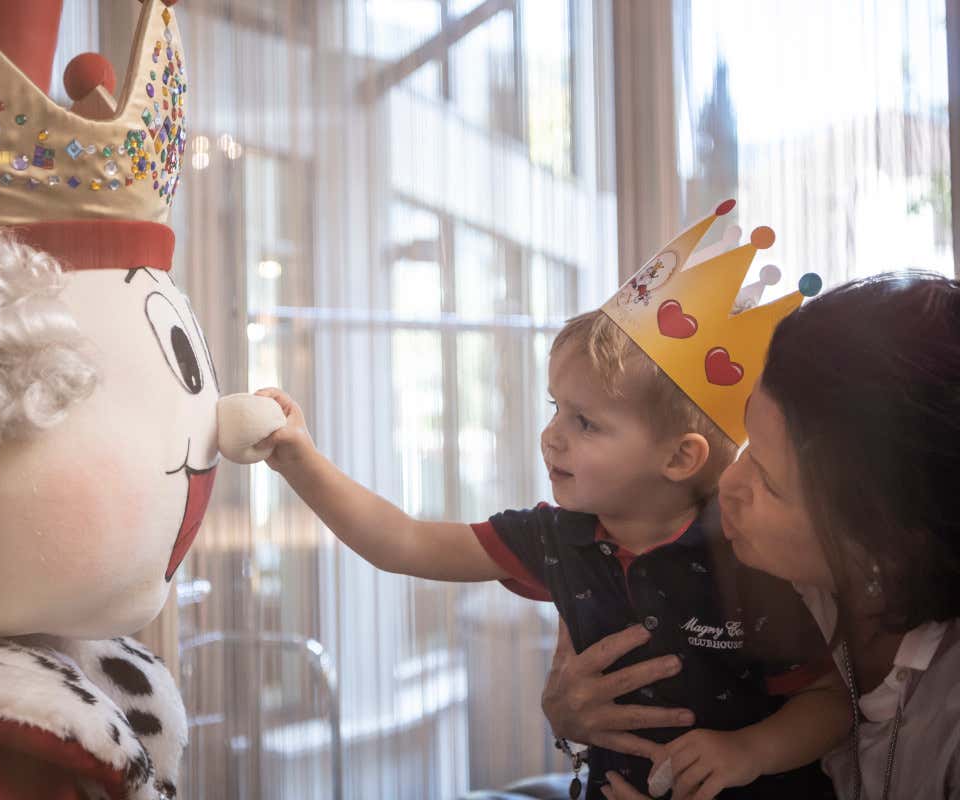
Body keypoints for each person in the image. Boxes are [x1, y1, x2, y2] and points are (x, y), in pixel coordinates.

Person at [260, 206, 851, 798]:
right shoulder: (555, 538)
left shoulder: (742, 550)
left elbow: (829, 704)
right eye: (555, 409)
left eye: (586, 423)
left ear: (678, 459)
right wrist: (300, 460)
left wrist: (748, 750)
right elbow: (403, 542)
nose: (552, 436)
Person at [544, 271, 960, 800]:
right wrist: (570, 713)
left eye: (767, 478)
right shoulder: (718, 565)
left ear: (887, 543)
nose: (728, 482)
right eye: (746, 445)